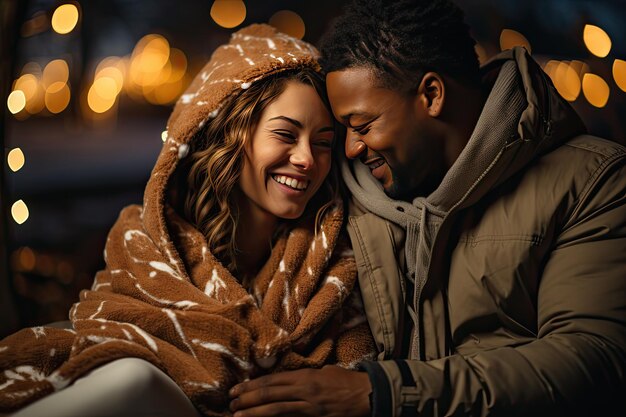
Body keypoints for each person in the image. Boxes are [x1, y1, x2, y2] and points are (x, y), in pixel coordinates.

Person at [228, 1, 626, 416]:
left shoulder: (591, 181)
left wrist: (382, 394)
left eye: (362, 126)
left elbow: (594, 359)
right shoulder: (341, 190)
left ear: (432, 95)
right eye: (343, 131)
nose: (350, 147)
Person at [0, 24, 376, 417]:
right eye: (285, 134)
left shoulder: (336, 267)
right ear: (235, 135)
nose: (306, 159)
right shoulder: (146, 250)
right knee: (130, 379)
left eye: (322, 143)